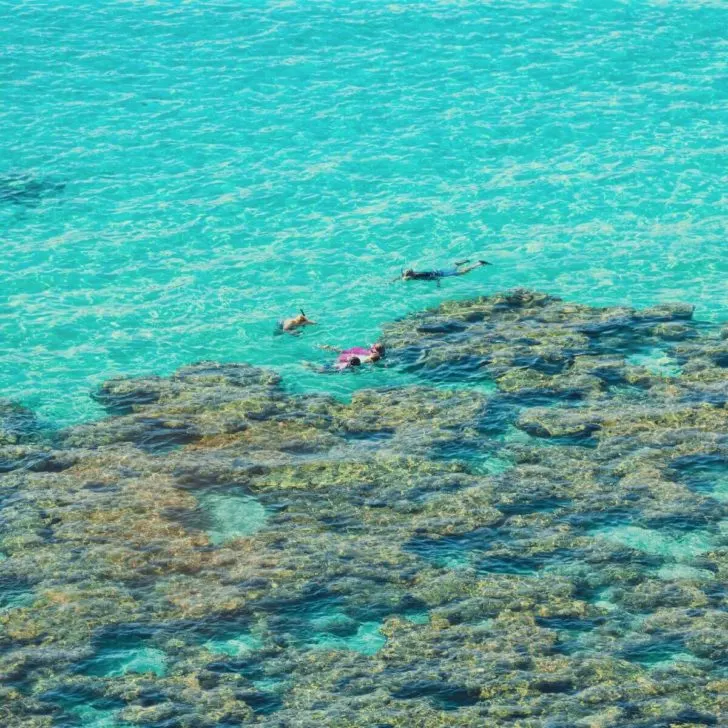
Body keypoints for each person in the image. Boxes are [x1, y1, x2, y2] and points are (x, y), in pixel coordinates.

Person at [394, 259, 491, 286]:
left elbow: (434, 278)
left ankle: (478, 264)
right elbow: (400, 277)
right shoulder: (408, 275)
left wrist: (438, 284)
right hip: (439, 271)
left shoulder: (420, 276)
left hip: (441, 274)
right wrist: (392, 281)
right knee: (453, 268)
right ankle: (458, 263)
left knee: (462, 273)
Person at [319, 342, 385, 366]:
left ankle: (331, 348)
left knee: (342, 352)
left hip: (350, 354)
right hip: (350, 359)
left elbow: (343, 352)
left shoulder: (362, 350)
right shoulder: (371, 358)